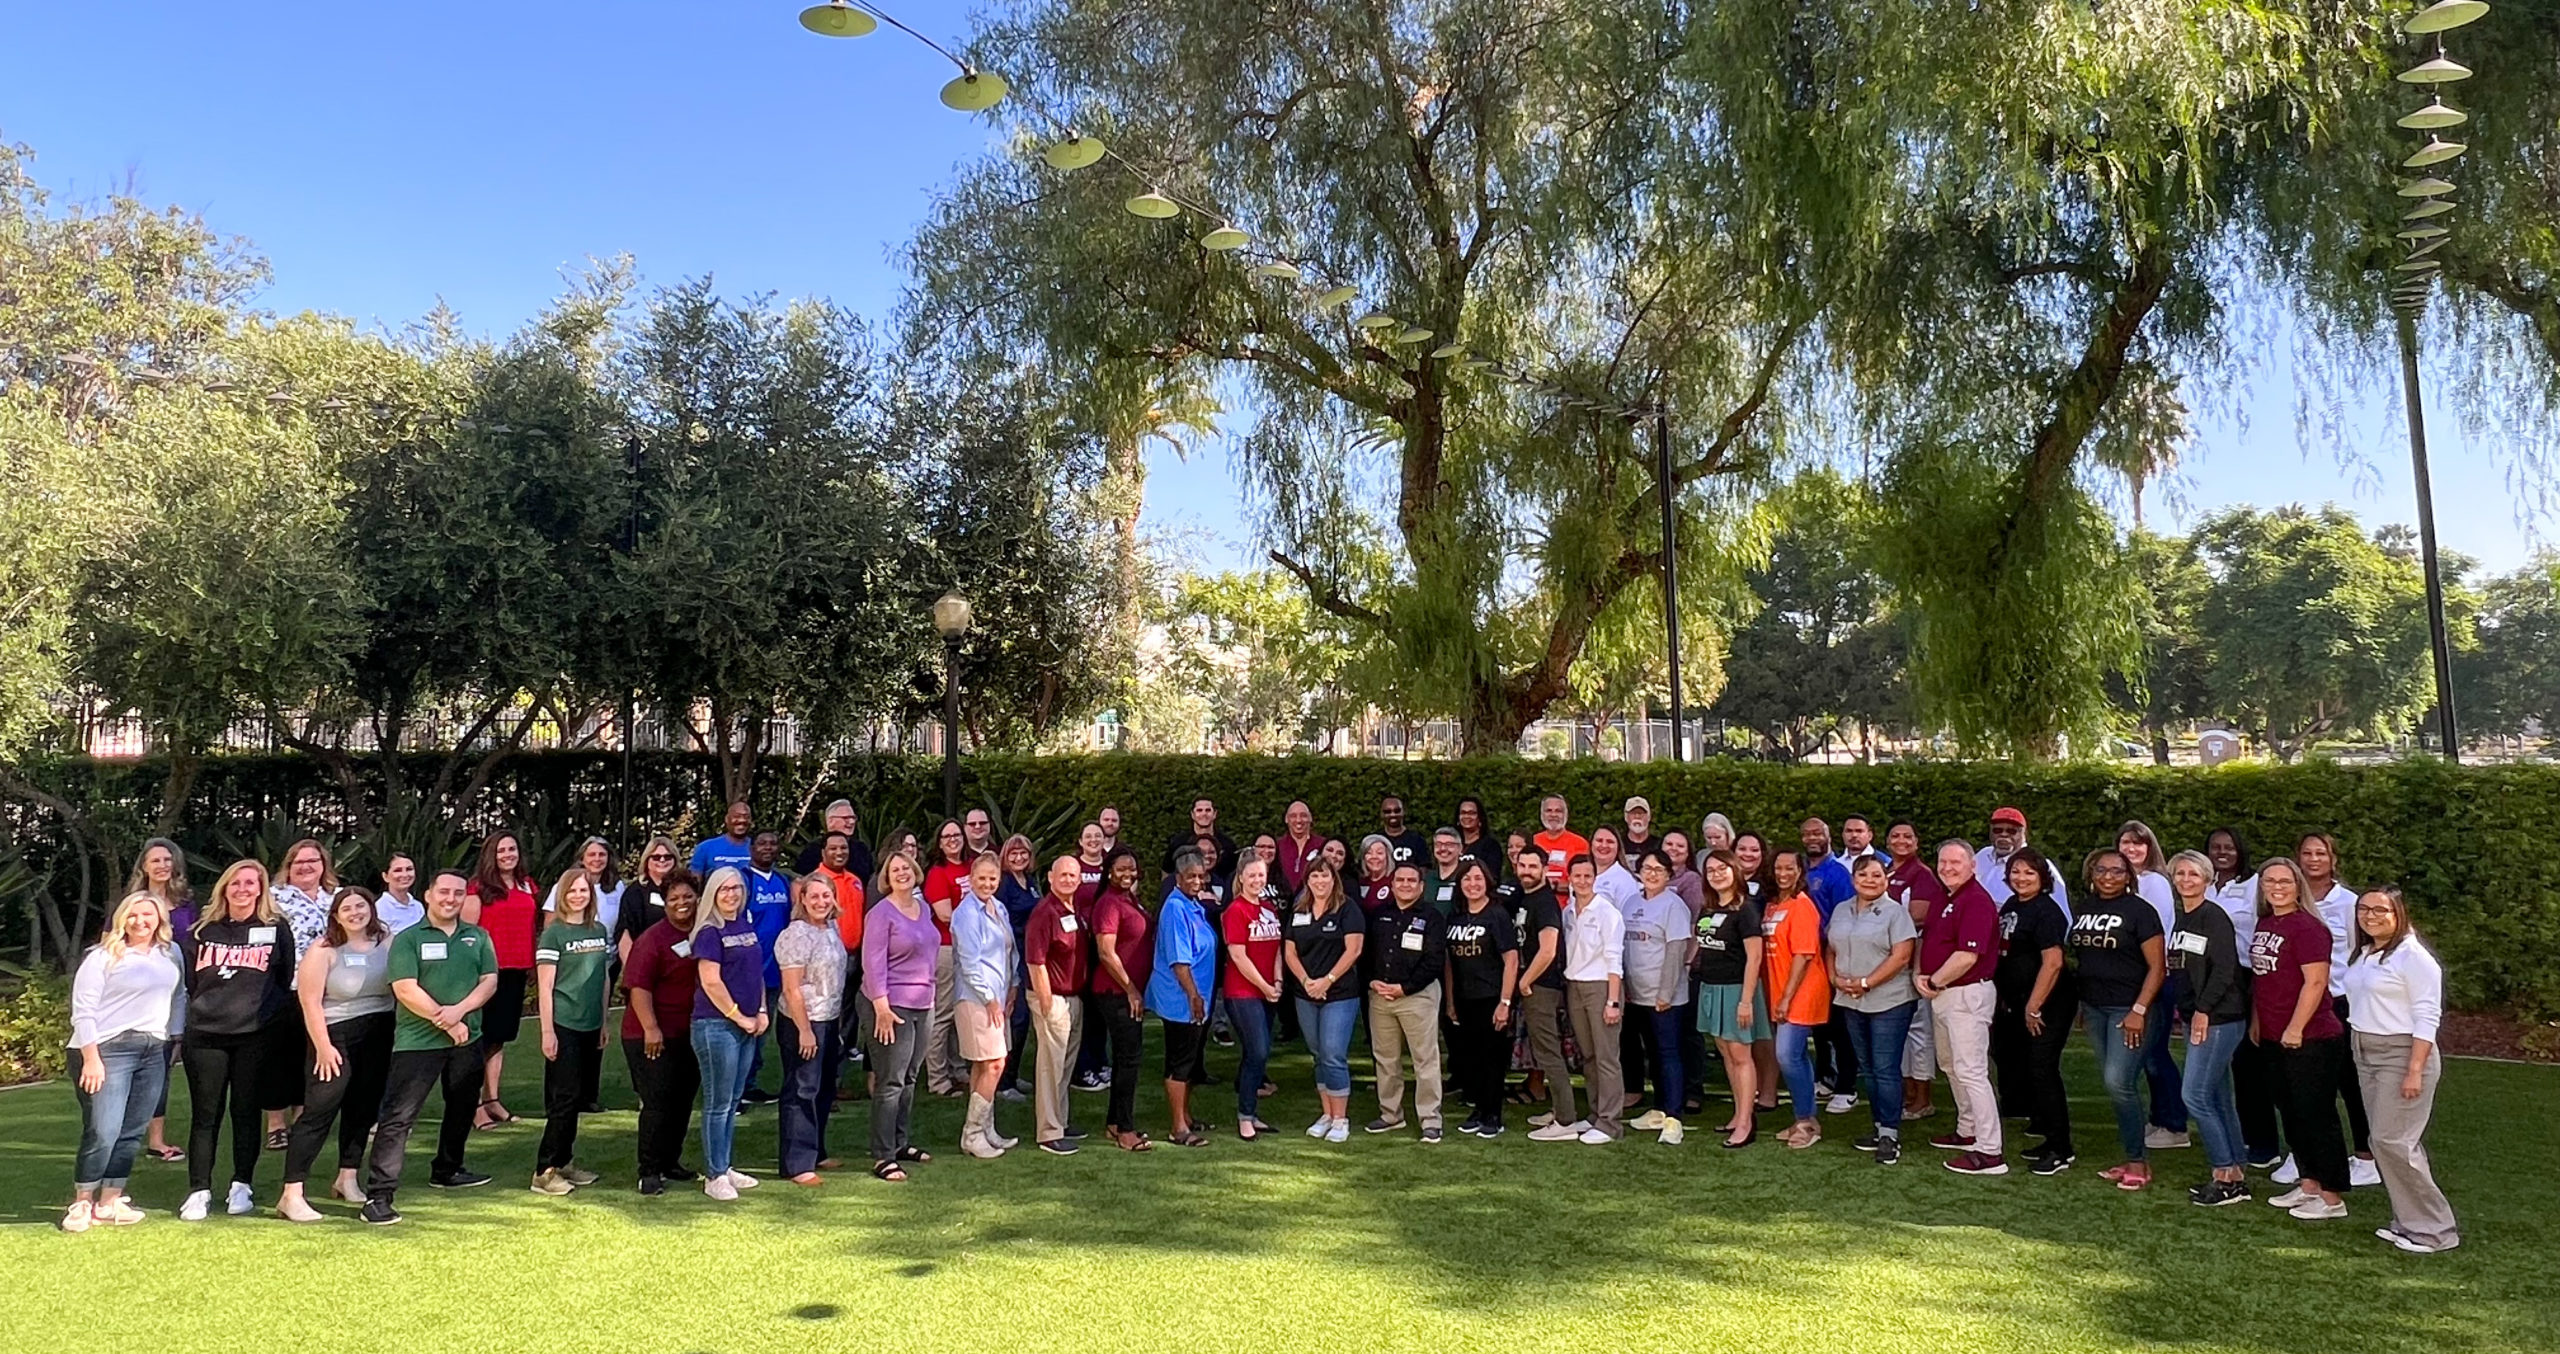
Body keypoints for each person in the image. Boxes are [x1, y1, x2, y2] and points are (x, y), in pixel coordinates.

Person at [363, 869, 499, 1224]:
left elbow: (489, 981)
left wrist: (460, 1013)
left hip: (467, 1038)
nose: (450, 899)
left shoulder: (478, 936)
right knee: (398, 1118)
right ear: (428, 895)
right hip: (418, 1043)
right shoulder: (408, 939)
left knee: (462, 1106)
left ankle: (448, 1169)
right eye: (444, 892)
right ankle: (378, 1196)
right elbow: (405, 989)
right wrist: (448, 1021)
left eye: (458, 893)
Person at [2343, 886, 2458, 1253]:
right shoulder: (2367, 952)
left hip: (2402, 1055)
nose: (2370, 916)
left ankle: (2436, 1231)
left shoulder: (2414, 957)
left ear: (2399, 913)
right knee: (2383, 1141)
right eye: (2364, 909)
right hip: (2366, 1051)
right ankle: (2407, 1222)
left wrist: (2414, 1069)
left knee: (2395, 1142)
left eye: (2381, 910)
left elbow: (2427, 1015)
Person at [178, 859, 293, 1221]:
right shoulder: (202, 930)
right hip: (206, 1036)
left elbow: (283, 978)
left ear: (261, 889)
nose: (243, 889)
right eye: (235, 883)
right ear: (224, 888)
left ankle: (241, 1185)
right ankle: (199, 1190)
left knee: (246, 1112)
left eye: (250, 883)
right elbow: (192, 981)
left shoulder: (276, 928)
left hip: (255, 1037)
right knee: (205, 1115)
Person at [63, 893, 183, 1232]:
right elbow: (83, 1011)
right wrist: (91, 1058)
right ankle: (82, 1203)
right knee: (103, 1129)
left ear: (159, 919)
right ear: (122, 919)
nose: (140, 921)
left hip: (153, 1049)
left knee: (132, 1131)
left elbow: (178, 997)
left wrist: (175, 1038)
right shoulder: (102, 956)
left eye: (148, 915)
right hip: (106, 1050)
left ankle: (110, 1201)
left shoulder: (169, 954)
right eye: (133, 914)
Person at [277, 888, 396, 1221]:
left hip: (379, 1032)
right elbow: (309, 1002)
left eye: (361, 905)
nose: (355, 912)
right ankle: (291, 1193)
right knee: (319, 1111)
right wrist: (324, 1047)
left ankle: (347, 1177)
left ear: (371, 909)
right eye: (347, 908)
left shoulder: (387, 942)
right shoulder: (323, 949)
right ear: (336, 915)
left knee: (363, 1109)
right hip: (334, 1036)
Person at [2252, 855, 2354, 1220]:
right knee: (2292, 1113)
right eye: (2270, 881)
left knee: (2316, 1115)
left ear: (2298, 886)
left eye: (2285, 881)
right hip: (2274, 1035)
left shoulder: (2309, 928)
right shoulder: (2266, 922)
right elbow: (2264, 980)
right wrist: (2259, 1021)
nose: (2277, 887)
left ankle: (2332, 1197)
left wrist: (2295, 1027)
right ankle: (2309, 1183)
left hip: (2312, 1037)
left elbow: (2315, 982)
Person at [2072, 848, 2169, 1191]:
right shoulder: (2084, 908)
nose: (2108, 877)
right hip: (2095, 1008)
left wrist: (2138, 1010)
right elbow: (2086, 959)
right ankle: (2130, 1157)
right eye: (2101, 870)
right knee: (2113, 1082)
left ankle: (2138, 1161)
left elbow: (2158, 967)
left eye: (2117, 871)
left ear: (2128, 876)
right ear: (2091, 873)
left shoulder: (2140, 911)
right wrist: (2084, 1004)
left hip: (2129, 1009)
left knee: (2119, 1082)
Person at [2167, 850, 2252, 1207]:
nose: (2186, 880)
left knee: (2195, 1096)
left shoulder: (2212, 916)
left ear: (2207, 879)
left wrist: (2203, 1010)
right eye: (2180, 873)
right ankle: (2236, 1172)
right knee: (2217, 1096)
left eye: (2193, 874)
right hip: (2194, 1016)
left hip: (2218, 1018)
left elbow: (2225, 969)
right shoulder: (2182, 917)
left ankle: (2223, 1172)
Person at [1919, 841, 2007, 1176]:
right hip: (1943, 993)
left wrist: (1933, 981)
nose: (1947, 868)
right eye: (1942, 862)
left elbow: (1967, 956)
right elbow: (1928, 940)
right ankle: (1968, 1129)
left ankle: (1990, 1151)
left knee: (1971, 1071)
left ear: (1973, 865)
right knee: (1950, 1064)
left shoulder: (1976, 901)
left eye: (1956, 862)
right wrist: (1921, 975)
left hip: (1966, 993)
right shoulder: (1945, 896)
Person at [2298, 831, 2380, 1188]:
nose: (2313, 859)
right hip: (2301, 1001)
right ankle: (2306, 1155)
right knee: (2306, 1083)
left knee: (2349, 1081)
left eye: (2321, 853)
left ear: (2333, 859)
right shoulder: (2290, 896)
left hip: (2338, 1001)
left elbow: (2361, 950)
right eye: (2307, 853)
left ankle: (2365, 1156)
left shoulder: (2349, 902)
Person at [525, 869, 611, 1196]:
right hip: (564, 1025)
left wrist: (604, 1021)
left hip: (591, 1024)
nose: (578, 896)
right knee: (564, 1099)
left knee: (578, 1099)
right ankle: (543, 1171)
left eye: (583, 890)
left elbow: (603, 978)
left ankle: (564, 1162)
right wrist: (547, 1032)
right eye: (572, 891)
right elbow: (545, 988)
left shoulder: (599, 930)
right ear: (562, 895)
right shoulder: (554, 934)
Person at [1826, 856, 1917, 1165]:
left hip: (1889, 1000)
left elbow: (1901, 956)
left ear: (1886, 879)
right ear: (1854, 880)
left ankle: (1890, 1133)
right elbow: (1830, 948)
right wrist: (1835, 979)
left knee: (1885, 1067)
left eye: (1877, 875)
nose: (1870, 880)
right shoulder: (1841, 910)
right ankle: (1879, 1127)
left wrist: (1866, 983)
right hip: (1850, 999)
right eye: (1863, 875)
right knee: (1867, 1066)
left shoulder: (1896, 912)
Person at [1989, 849, 2074, 1175]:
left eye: (2029, 873)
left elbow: (2053, 963)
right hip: (2018, 1001)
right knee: (2025, 1067)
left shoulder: (2046, 911)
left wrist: (2034, 1006)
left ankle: (2061, 1149)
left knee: (2043, 1069)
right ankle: (2045, 1131)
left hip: (2048, 1003)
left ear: (2043, 877)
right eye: (2016, 871)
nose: (2021, 878)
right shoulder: (2013, 904)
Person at [621, 869, 702, 1196]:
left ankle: (670, 1161)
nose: (681, 903)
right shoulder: (652, 939)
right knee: (657, 1101)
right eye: (674, 898)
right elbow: (638, 987)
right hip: (649, 1033)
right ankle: (649, 1170)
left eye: (687, 897)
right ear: (664, 902)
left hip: (688, 1032)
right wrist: (651, 1028)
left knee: (682, 1100)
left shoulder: (702, 931)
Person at [857, 855, 938, 1179]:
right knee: (890, 1080)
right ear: (887, 878)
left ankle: (900, 1142)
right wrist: (882, 1007)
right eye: (895, 870)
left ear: (915, 872)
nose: (902, 873)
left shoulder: (924, 908)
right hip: (891, 1005)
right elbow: (872, 962)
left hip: (923, 1003)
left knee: (910, 1077)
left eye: (906, 868)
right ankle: (883, 1155)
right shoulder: (880, 913)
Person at [689, 867, 766, 1201]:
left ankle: (725, 1165)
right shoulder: (709, 931)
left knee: (733, 1100)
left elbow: (755, 972)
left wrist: (761, 1011)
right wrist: (739, 1017)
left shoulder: (744, 924)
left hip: (747, 1023)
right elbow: (711, 982)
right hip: (716, 1026)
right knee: (718, 1103)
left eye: (736, 888)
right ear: (713, 893)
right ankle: (714, 1174)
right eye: (724, 889)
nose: (731, 894)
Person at [2207, 826, 2279, 1169]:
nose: (2222, 852)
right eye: (2215, 847)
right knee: (2217, 1062)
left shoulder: (2253, 886)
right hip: (2209, 980)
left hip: (2246, 977)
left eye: (2229, 847)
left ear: (2241, 851)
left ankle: (2263, 1143)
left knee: (2249, 1064)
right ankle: (2235, 1135)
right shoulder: (2204, 884)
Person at [2116, 820, 2189, 1151]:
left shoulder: (2154, 882)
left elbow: (2154, 933)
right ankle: (2160, 1118)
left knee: (2155, 1054)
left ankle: (2175, 1125)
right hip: (2132, 977)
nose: (2131, 848)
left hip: (2154, 977)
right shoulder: (2120, 882)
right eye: (2125, 842)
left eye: (2138, 843)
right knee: (2145, 1054)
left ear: (2150, 848)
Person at [263, 838, 339, 1151]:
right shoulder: (273, 896)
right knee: (280, 1057)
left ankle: (302, 1118)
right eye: (299, 862)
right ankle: (276, 1124)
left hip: (328, 989)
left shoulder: (336, 897)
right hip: (285, 986)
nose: (306, 867)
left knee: (312, 1056)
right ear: (289, 866)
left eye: (313, 861)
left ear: (323, 865)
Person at [773, 873, 849, 1184]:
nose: (821, 902)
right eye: (814, 896)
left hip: (829, 1018)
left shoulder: (831, 927)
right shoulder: (795, 935)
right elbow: (792, 989)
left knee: (824, 1087)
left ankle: (816, 1151)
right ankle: (797, 1163)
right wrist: (804, 1030)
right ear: (802, 899)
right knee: (801, 1089)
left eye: (826, 895)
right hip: (802, 1020)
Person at [1365, 862, 1448, 1142]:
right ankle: (1391, 1115)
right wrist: (1372, 981)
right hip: (1380, 996)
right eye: (1400, 880)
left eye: (1411, 880)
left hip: (1417, 997)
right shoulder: (1379, 915)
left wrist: (1405, 988)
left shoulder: (1432, 917)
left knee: (1425, 1060)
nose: (1405, 885)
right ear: (1392, 884)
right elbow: (1367, 953)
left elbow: (1434, 960)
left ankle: (1430, 1119)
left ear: (1421, 886)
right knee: (1386, 1059)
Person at [462, 832, 539, 1131]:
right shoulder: (477, 889)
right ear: (491, 855)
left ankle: (492, 1099)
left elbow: (530, 927)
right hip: (486, 974)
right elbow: (467, 936)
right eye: (501, 850)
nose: (508, 854)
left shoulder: (527, 885)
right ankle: (474, 1106)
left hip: (516, 971)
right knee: (479, 1040)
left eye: (512, 848)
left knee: (498, 1038)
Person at [1690, 850, 1765, 1148]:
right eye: (1710, 870)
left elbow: (1754, 958)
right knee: (1726, 1054)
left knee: (1740, 1055)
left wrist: (1746, 1001)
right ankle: (1738, 1113)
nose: (1717, 874)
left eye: (1722, 868)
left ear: (1735, 870)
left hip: (1736, 990)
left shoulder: (1746, 910)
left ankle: (1747, 1122)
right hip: (1711, 987)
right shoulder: (1707, 909)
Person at [1287, 858, 1366, 1143]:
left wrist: (1327, 981)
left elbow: (1354, 949)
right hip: (1306, 993)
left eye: (1325, 876)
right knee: (1318, 1054)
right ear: (1307, 880)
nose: (1320, 881)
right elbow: (1290, 951)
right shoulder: (1299, 909)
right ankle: (1327, 1114)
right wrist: (1307, 982)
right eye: (1315, 876)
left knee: (1333, 1054)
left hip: (1339, 993)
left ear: (1334, 879)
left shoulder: (1347, 908)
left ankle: (1341, 1119)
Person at [1439, 860, 1519, 1138]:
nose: (1472, 884)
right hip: (1464, 998)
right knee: (1470, 1058)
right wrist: (1450, 1001)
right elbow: (1449, 963)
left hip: (1491, 997)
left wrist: (1505, 1002)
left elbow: (1511, 960)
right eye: (1467, 879)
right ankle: (1478, 1110)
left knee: (1491, 1059)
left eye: (1477, 879)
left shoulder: (1497, 914)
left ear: (1487, 881)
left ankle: (1493, 1115)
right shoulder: (1456, 917)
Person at [125, 840, 193, 1166]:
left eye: (168, 859)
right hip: (133, 998)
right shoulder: (130, 904)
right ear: (144, 866)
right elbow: (110, 945)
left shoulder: (186, 905)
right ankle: (119, 1135)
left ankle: (156, 1139)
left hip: (173, 994)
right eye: (156, 860)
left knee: (160, 1071)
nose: (163, 865)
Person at [1149, 850, 1219, 1148]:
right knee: (1180, 1061)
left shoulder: (1193, 905)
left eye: (1201, 876)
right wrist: (1193, 995)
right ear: (1178, 878)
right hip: (1182, 999)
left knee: (1189, 1060)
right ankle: (1178, 1128)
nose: (1197, 881)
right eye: (1190, 876)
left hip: (1197, 996)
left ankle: (1186, 1116)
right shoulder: (1175, 908)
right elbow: (1179, 960)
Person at [1025, 855, 1094, 1155]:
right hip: (1052, 997)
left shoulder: (1074, 910)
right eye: (1062, 875)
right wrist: (1046, 1003)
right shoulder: (1045, 912)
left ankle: (1061, 1120)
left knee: (1065, 1065)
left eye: (1073, 875)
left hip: (1073, 997)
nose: (1068, 880)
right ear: (1050, 877)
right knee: (1050, 1067)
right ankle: (1049, 1132)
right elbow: (1035, 962)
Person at [950, 852, 1019, 1158]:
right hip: (976, 998)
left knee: (985, 1064)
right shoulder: (966, 914)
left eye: (992, 878)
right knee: (995, 1063)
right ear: (971, 879)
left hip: (999, 996)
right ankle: (972, 1134)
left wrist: (1013, 985)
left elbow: (1009, 949)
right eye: (981, 878)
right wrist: (990, 999)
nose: (987, 883)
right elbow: (969, 963)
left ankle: (987, 1129)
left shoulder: (998, 907)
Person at [1623, 854, 1693, 1144]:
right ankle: (1659, 1109)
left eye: (1659, 870)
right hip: (1635, 995)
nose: (1652, 874)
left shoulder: (1674, 906)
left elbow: (1676, 951)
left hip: (1664, 998)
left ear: (1668, 875)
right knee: (1652, 1054)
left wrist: (1665, 993)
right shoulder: (1631, 902)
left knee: (1668, 1054)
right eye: (1647, 868)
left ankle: (1674, 1118)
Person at [1763, 850, 1831, 1150]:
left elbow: (1803, 956)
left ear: (1800, 871)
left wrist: (1786, 998)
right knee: (1795, 1056)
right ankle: (1802, 1117)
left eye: (1789, 868)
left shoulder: (1802, 905)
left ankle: (1807, 1121)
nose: (1783, 873)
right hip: (1780, 989)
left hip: (1801, 990)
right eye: (1778, 868)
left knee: (1787, 1055)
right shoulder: (1773, 905)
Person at [1513, 845, 1580, 1138]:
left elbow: (1548, 949)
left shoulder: (1544, 902)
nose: (1527, 871)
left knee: (1549, 1052)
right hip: (1534, 985)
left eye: (1533, 866)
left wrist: (1525, 982)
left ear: (1544, 869)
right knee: (1544, 1051)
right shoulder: (1526, 898)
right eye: (1522, 865)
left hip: (1541, 986)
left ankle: (1565, 1121)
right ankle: (1558, 1109)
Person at [1090, 849, 1155, 1151]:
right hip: (1115, 993)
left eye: (1132, 868)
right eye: (1121, 869)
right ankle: (1126, 1131)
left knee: (1125, 1059)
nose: (1127, 873)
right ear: (1109, 872)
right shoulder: (1108, 903)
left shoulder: (1129, 899)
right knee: (1129, 1060)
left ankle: (1115, 1123)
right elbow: (1106, 952)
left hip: (1128, 992)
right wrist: (1130, 989)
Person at [1558, 856, 1625, 1145]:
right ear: (1569, 878)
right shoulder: (1569, 912)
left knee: (1606, 1057)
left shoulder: (1607, 913)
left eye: (1588, 876)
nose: (1583, 881)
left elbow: (1614, 959)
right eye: (1578, 876)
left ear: (1595, 879)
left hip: (1601, 987)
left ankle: (1611, 1123)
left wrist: (1613, 1001)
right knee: (1588, 1055)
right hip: (1575, 986)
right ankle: (1596, 1114)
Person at [1882, 821, 1947, 1121]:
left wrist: (1879, 924)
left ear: (1917, 842)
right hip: (1887, 961)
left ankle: (1923, 1098)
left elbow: (1918, 917)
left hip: (1913, 960)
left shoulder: (1921, 874)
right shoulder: (1885, 870)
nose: (1901, 841)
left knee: (1919, 1031)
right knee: (1902, 1033)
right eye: (1895, 836)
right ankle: (1908, 1093)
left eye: (1908, 836)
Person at [1220, 856, 1285, 1140]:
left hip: (1268, 990)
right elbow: (1238, 956)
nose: (1257, 880)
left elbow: (1277, 948)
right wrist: (1264, 986)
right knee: (1257, 1050)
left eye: (1261, 875)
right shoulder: (1236, 910)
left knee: (1258, 1053)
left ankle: (1252, 1113)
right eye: (1252, 875)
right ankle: (1245, 1116)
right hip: (1243, 992)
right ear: (1241, 878)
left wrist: (1277, 981)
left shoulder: (1269, 908)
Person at [1799, 818, 1857, 1114]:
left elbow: (1844, 916)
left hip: (1829, 955)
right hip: (1805, 957)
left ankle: (1847, 1087)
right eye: (1806, 833)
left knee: (1839, 1025)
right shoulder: (1801, 870)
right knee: (1818, 1024)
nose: (1812, 838)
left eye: (1817, 833)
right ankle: (1825, 1077)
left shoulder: (1837, 873)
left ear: (1828, 836)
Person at [739, 829, 797, 1105]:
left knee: (763, 1033)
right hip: (751, 972)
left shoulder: (783, 881)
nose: (768, 847)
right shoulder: (744, 879)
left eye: (773, 843)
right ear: (752, 848)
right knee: (747, 1030)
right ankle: (739, 1089)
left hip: (778, 971)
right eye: (762, 843)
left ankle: (749, 1085)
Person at [996, 834, 1043, 1100]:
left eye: (1023, 852)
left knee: (1023, 1021)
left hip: (1030, 955)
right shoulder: (1004, 884)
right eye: (1013, 853)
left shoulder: (1031, 882)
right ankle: (1003, 1081)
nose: (1019, 857)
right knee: (1016, 1017)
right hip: (1012, 956)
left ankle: (1012, 1074)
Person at [1977, 807, 2069, 915]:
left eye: (2011, 831)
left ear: (2024, 833)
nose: (2004, 835)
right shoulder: (1982, 855)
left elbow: (2062, 913)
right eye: (1997, 830)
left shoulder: (2040, 865)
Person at [619, 836, 682, 964]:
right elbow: (624, 933)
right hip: (646, 959)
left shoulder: (685, 888)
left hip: (681, 959)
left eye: (668, 856)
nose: (662, 860)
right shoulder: (635, 892)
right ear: (647, 860)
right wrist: (632, 966)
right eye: (656, 857)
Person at [794, 799, 876, 881]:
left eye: (853, 818)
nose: (851, 822)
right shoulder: (814, 849)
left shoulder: (861, 848)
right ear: (830, 821)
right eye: (845, 818)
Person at [1165, 797, 1238, 874]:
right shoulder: (1178, 843)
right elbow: (1167, 872)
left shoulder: (1227, 845)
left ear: (1215, 814)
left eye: (1208, 810)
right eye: (1199, 810)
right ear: (1192, 814)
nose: (1204, 814)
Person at [1532, 795, 1589, 887]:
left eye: (1558, 811)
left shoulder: (1580, 843)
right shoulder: (1533, 841)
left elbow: (1584, 878)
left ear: (1566, 814)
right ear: (1542, 814)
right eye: (1549, 811)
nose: (1553, 815)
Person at [692, 800, 757, 877]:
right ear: (726, 819)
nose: (742, 820)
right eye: (737, 816)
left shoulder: (759, 849)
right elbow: (695, 881)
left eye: (746, 817)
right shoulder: (705, 848)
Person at [1276, 800, 1325, 898]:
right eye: (1293, 816)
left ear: (1310, 818)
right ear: (1286, 819)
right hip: (1282, 900)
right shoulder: (1277, 846)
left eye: (1303, 815)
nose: (1298, 820)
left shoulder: (1322, 845)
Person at [1454, 797, 1506, 877]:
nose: (1467, 816)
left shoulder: (1490, 846)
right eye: (1463, 813)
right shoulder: (1452, 844)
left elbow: (1492, 875)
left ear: (1480, 818)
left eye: (1472, 813)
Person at [1378, 795, 1430, 871]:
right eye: (1387, 811)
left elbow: (1424, 867)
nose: (1393, 814)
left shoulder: (1417, 839)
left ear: (1404, 812)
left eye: (1397, 811)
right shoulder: (1376, 840)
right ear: (1381, 814)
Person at [375, 854, 425, 934]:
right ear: (385, 876)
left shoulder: (418, 906)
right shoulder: (379, 908)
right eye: (398, 870)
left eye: (409, 869)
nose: (405, 875)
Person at [1356, 835, 1397, 915]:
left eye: (1379, 853)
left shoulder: (1396, 881)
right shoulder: (1359, 881)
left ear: (1388, 856)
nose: (1374, 857)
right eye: (1369, 853)